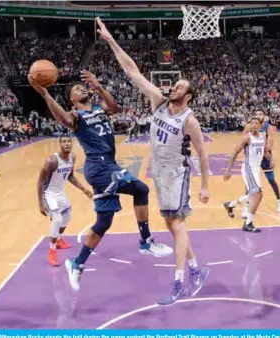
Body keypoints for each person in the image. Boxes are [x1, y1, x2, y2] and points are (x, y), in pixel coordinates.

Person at [95, 17, 210, 305]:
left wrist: (205, 185)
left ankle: (179, 281)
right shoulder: (158, 101)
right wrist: (110, 40)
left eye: (180, 86)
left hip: (177, 173)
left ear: (189, 95)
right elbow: (131, 70)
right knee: (171, 224)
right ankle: (196, 270)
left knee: (178, 225)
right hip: (158, 170)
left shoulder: (190, 120)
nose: (174, 88)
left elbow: (203, 154)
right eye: (175, 85)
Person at [28, 69, 173, 291]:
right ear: (73, 100)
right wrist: (45, 94)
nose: (81, 89)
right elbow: (65, 120)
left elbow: (114, 107)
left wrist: (97, 85)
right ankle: (145, 241)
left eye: (82, 86)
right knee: (141, 189)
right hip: (99, 167)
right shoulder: (76, 116)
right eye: (76, 89)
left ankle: (77, 263)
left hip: (109, 165)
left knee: (103, 222)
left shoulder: (98, 108)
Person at [37, 135, 94, 266]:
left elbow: (71, 176)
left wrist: (84, 189)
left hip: (60, 192)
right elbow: (40, 182)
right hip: (49, 193)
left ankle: (59, 239)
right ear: (60, 144)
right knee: (57, 220)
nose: (67, 144)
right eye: (64, 142)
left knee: (67, 217)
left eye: (69, 141)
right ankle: (52, 252)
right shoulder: (52, 161)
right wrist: (40, 203)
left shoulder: (72, 157)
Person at [223, 117, 264, 233]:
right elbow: (235, 152)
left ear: (260, 126)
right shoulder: (247, 137)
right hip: (248, 168)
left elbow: (263, 152)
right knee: (257, 194)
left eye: (256, 123)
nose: (254, 125)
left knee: (254, 195)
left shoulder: (262, 137)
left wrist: (271, 160)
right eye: (252, 123)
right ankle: (248, 223)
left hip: (256, 169)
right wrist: (228, 170)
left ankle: (230, 204)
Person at [242, 109, 280, 216]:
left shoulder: (268, 127)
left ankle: (279, 200)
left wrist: (266, 152)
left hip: (265, 155)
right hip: (252, 157)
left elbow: (270, 142)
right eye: (256, 114)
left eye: (260, 114)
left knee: (271, 179)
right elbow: (243, 140)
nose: (258, 115)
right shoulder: (249, 126)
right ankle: (247, 205)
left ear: (264, 116)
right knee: (249, 184)